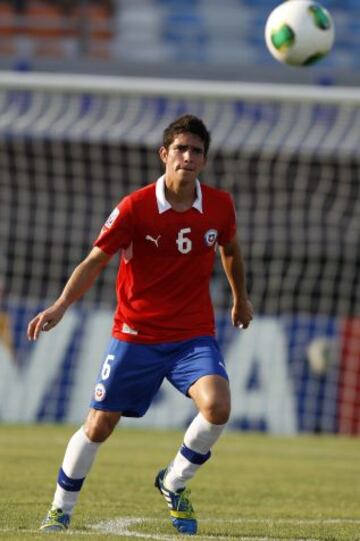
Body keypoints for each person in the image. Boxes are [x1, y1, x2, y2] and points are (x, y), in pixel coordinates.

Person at [27, 114, 253, 535]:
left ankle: (174, 482)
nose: (188, 157)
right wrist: (60, 305)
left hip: (192, 335)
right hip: (137, 333)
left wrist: (240, 298)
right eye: (181, 149)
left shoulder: (220, 204)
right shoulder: (135, 207)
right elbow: (96, 260)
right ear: (164, 155)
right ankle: (60, 509)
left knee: (218, 407)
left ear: (204, 160)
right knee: (98, 426)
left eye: (196, 151)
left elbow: (231, 250)